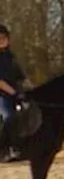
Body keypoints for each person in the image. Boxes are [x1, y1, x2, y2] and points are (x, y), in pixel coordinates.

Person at [0, 24, 30, 161]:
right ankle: (9, 150)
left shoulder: (11, 56)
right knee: (9, 117)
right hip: (3, 95)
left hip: (14, 93)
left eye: (3, 37)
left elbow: (22, 77)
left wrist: (33, 90)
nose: (1, 40)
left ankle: (23, 147)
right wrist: (14, 94)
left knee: (29, 114)